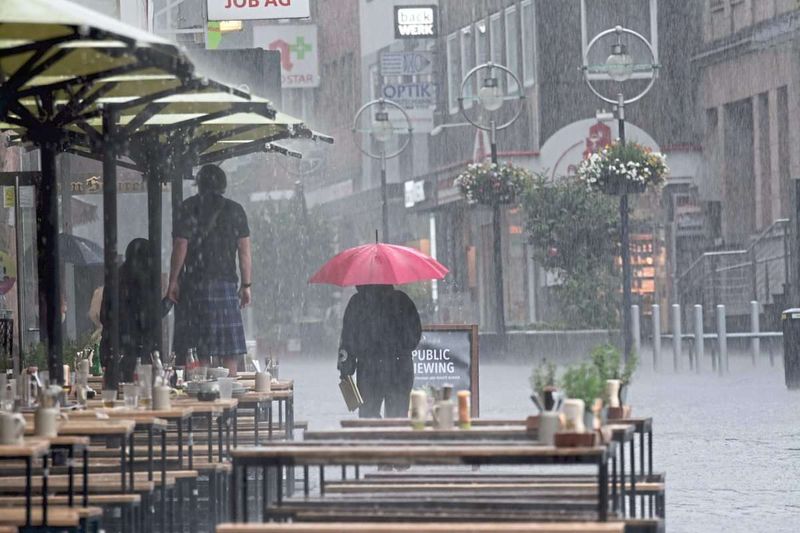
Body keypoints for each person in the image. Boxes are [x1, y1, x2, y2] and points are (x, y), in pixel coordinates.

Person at [167, 165, 252, 376]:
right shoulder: (236, 210)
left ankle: (202, 395)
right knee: (229, 351)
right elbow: (244, 252)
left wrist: (173, 281)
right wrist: (246, 285)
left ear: (199, 184)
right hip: (226, 284)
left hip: (195, 285)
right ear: (223, 184)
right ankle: (229, 396)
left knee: (200, 347)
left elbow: (180, 245)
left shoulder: (187, 208)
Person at [338, 284, 422, 418]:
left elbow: (347, 340)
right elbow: (415, 335)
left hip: (369, 370)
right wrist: (398, 349)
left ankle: (373, 437)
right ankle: (395, 437)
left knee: (368, 418)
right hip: (399, 369)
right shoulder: (402, 300)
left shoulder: (357, 303)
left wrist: (345, 370)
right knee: (398, 417)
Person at [100, 238, 152, 383]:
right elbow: (149, 319)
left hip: (112, 350)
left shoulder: (115, 279)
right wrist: (168, 302)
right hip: (131, 352)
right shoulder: (139, 283)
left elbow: (104, 316)